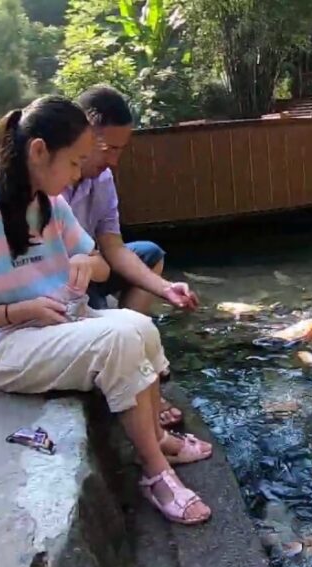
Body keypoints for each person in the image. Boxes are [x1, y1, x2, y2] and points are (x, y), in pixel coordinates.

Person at [0, 96, 213, 525]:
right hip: (5, 344)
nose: (76, 174)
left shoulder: (51, 203)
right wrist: (18, 310)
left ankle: (156, 437)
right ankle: (155, 472)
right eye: (73, 162)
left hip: (56, 323)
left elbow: (102, 261)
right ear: (39, 151)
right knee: (119, 338)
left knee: (140, 325)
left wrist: (89, 263)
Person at [64, 86, 197, 429]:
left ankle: (135, 345)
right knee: (103, 321)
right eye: (108, 148)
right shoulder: (53, 181)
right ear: (82, 135)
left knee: (150, 253)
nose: (113, 161)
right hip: (63, 280)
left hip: (94, 264)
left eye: (121, 150)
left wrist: (165, 289)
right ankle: (135, 375)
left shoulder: (103, 179)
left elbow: (114, 246)